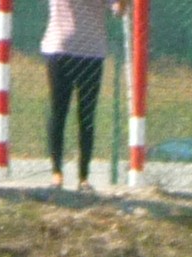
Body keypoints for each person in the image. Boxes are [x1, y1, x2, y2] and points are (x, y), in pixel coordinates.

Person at [40, 0, 120, 190]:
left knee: (87, 115)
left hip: (91, 54)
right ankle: (57, 173)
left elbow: (118, 10)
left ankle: (84, 177)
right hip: (60, 50)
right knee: (58, 112)